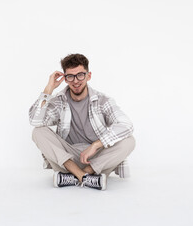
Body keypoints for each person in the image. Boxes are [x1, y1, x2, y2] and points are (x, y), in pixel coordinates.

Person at [29, 54, 135, 190]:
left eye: (80, 75)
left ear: (88, 76)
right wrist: (49, 88)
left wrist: (96, 145)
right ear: (65, 79)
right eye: (70, 76)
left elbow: (126, 125)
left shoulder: (103, 100)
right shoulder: (59, 101)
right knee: (38, 131)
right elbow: (35, 121)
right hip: (67, 159)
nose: (75, 81)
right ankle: (84, 177)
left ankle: (74, 177)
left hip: (96, 159)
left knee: (129, 141)